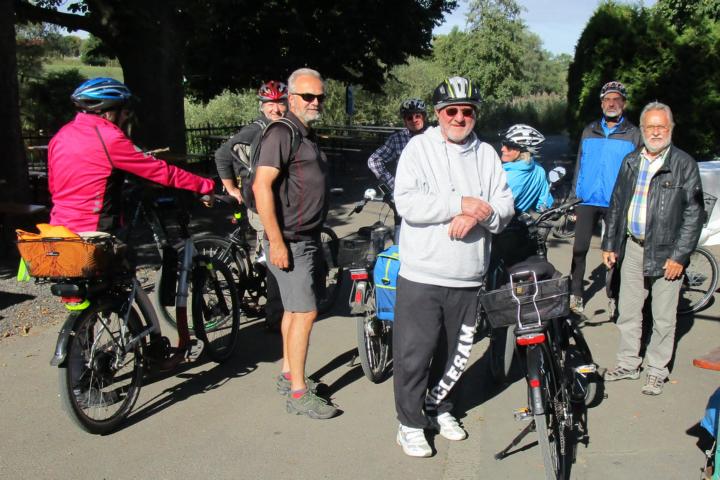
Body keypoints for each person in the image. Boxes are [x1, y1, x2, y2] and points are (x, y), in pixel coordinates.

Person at [392, 76, 514, 457]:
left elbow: (504, 207)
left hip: (467, 276)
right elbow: (406, 202)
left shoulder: (487, 155)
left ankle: (440, 409)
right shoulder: (418, 148)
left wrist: (479, 214)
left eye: (467, 111)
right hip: (423, 274)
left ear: (475, 114)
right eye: (451, 111)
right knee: (415, 353)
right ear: (438, 113)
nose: (459, 118)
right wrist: (460, 204)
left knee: (455, 355)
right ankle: (410, 423)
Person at [601, 102, 704, 396]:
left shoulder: (684, 164)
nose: (656, 132)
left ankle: (657, 370)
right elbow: (616, 204)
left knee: (663, 316)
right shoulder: (631, 160)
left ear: (670, 129)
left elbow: (694, 215)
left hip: (667, 252)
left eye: (661, 126)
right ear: (642, 129)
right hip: (633, 247)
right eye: (650, 127)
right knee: (628, 310)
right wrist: (610, 244)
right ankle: (628, 364)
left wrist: (680, 256)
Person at [252, 68, 337, 419]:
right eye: (308, 96)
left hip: (304, 238)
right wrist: (276, 241)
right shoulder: (282, 132)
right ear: (291, 98)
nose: (315, 102)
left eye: (320, 96)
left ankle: (289, 374)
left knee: (292, 310)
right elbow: (261, 186)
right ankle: (299, 394)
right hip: (291, 240)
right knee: (305, 312)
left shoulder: (304, 133)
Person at [48, 77, 215, 234]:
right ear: (109, 112)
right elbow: (159, 171)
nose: (125, 117)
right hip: (93, 230)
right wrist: (203, 184)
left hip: (59, 229)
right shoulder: (109, 138)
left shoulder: (61, 135)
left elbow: (54, 185)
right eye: (125, 112)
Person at [214, 80, 289, 331]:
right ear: (262, 106)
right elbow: (222, 155)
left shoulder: (284, 127)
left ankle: (258, 292)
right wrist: (231, 189)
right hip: (261, 205)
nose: (276, 109)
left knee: (266, 255)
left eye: (280, 103)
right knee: (275, 260)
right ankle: (275, 316)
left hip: (277, 203)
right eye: (270, 104)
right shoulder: (256, 130)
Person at [569, 81, 641, 313]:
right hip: (587, 200)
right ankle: (576, 294)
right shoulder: (589, 130)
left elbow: (637, 171)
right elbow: (579, 164)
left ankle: (614, 295)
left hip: (616, 202)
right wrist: (572, 198)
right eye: (607, 100)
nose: (611, 104)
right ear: (601, 104)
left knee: (616, 253)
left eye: (616, 99)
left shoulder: (633, 134)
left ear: (624, 104)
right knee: (579, 249)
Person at [491, 124, 552, 268]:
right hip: (521, 232)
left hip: (499, 232)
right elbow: (543, 205)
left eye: (508, 146)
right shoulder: (539, 171)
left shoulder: (504, 175)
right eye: (503, 144)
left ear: (522, 151)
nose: (502, 149)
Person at [367, 98, 428, 190]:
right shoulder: (397, 139)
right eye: (409, 118)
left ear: (424, 117)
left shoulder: (434, 135)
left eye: (418, 116)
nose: (414, 120)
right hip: (409, 191)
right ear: (405, 121)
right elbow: (374, 160)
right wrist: (393, 184)